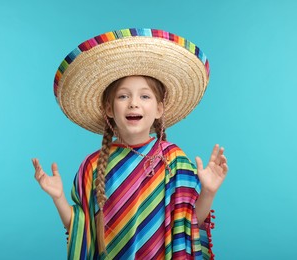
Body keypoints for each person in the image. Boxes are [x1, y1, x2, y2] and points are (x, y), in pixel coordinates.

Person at [32, 28, 228, 259]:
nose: (133, 103)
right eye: (123, 96)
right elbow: (81, 231)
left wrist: (208, 192)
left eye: (145, 96)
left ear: (159, 109)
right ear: (109, 108)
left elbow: (191, 222)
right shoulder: (93, 166)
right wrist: (58, 197)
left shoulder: (173, 160)